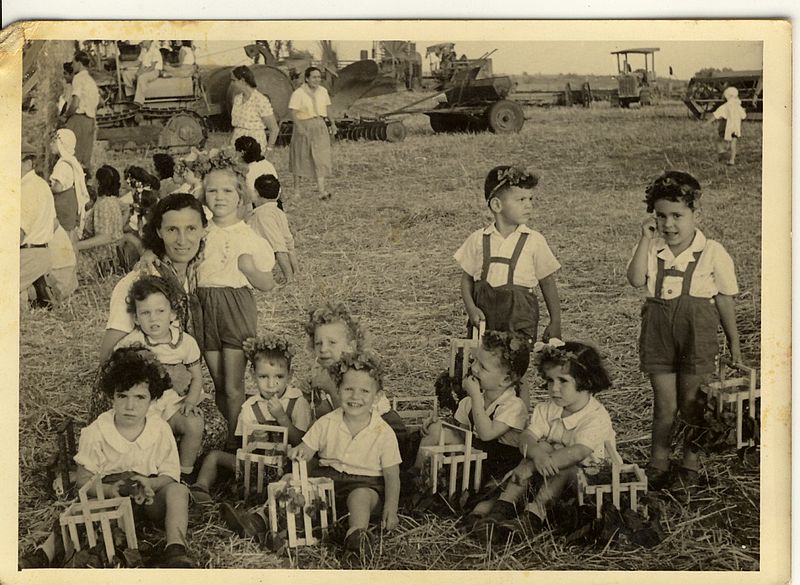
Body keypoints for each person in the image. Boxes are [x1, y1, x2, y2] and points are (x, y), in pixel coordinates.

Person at [19, 347, 194, 568]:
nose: (130, 406)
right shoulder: (97, 431)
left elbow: (170, 475)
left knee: (179, 491)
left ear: (152, 400)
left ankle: (175, 549)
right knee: (75, 512)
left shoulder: (159, 429)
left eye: (140, 397)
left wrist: (150, 483)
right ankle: (43, 554)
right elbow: (84, 481)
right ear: (112, 396)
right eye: (123, 396)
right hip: (108, 498)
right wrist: (111, 491)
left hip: (148, 497)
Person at [223, 351, 402, 554]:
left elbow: (392, 475)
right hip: (328, 481)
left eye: (364, 391)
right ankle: (260, 519)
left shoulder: (383, 431)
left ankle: (356, 536)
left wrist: (391, 508)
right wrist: (299, 452)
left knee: (359, 497)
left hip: (367, 484)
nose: (355, 397)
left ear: (377, 396)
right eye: (348, 389)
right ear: (338, 389)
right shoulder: (327, 422)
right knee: (291, 479)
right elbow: (306, 448)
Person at [626, 171, 740, 490]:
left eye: (678, 215)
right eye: (661, 216)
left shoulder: (712, 252)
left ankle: (690, 463)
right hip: (658, 336)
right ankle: (658, 461)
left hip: (697, 336)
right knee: (665, 406)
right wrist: (644, 239)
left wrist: (734, 343)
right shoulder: (653, 248)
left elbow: (724, 299)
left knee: (692, 404)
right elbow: (635, 280)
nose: (669, 224)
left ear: (695, 214)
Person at [472, 340, 615, 543]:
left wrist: (536, 462)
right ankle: (501, 509)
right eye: (549, 380)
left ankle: (534, 515)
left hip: (587, 479)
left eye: (563, 381)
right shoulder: (548, 408)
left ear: (587, 382)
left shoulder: (596, 417)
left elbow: (577, 453)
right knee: (539, 449)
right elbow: (527, 436)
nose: (554, 388)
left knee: (561, 463)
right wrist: (537, 456)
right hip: (546, 473)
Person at [454, 165, 562, 409]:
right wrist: (471, 308)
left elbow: (547, 280)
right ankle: (480, 416)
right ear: (497, 206)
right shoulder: (478, 239)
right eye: (521, 199)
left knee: (515, 370)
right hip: (485, 319)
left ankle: (517, 417)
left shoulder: (534, 240)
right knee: (483, 366)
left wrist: (555, 321)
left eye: (531, 199)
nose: (529, 205)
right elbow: (466, 279)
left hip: (519, 316)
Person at [194, 149, 277, 448]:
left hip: (235, 307)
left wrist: (250, 268)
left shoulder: (250, 237)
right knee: (217, 383)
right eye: (212, 190)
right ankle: (222, 441)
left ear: (240, 195)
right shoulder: (199, 232)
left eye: (227, 190)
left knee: (233, 385)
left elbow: (267, 283)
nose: (219, 196)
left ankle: (237, 444)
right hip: (203, 306)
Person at [96, 192, 208, 389]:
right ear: (159, 232)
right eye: (172, 229)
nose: (182, 240)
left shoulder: (200, 275)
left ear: (203, 230)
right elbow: (108, 357)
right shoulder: (138, 281)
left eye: (191, 228)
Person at [189, 333, 311, 505]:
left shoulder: (297, 402)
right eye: (263, 377)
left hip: (286, 464)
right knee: (215, 456)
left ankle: (267, 502)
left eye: (279, 377)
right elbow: (243, 446)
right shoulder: (250, 406)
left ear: (289, 375)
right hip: (255, 465)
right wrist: (253, 439)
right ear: (253, 375)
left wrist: (282, 418)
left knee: (294, 477)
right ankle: (201, 487)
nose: (271, 384)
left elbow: (301, 442)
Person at [115, 276, 205, 482]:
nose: (153, 319)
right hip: (146, 405)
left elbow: (197, 377)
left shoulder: (185, 343)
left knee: (194, 424)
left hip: (174, 402)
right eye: (145, 313)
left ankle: (183, 474)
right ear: (136, 318)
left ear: (172, 313)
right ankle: (146, 473)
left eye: (160, 311)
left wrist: (190, 402)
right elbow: (121, 375)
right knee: (143, 431)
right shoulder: (132, 343)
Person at [414, 330, 529, 485]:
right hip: (474, 459)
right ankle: (416, 477)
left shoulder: (513, 406)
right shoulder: (470, 402)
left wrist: (475, 397)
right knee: (435, 429)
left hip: (497, 467)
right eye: (474, 361)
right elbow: (462, 433)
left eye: (483, 367)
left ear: (506, 379)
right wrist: (438, 424)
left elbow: (486, 434)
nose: (474, 368)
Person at [288, 66, 336, 201]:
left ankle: (321, 191)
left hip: (319, 125)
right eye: (314, 77)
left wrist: (332, 123)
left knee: (321, 157)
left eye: (319, 77)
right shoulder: (298, 93)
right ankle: (296, 192)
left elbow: (328, 108)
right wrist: (300, 128)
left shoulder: (323, 91)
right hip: (303, 125)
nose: (317, 80)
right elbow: (292, 112)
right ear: (307, 78)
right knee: (300, 157)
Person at [20, 141, 57, 308]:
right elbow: (54, 224)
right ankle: (34, 288)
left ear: (28, 163)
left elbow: (18, 233)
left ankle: (29, 294)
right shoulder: (41, 185)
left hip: (27, 255)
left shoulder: (26, 189)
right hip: (42, 253)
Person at [247, 174, 297, 283]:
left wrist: (289, 279)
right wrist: (296, 273)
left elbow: (279, 248)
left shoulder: (263, 215)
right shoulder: (278, 212)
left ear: (256, 193)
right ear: (278, 195)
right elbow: (289, 246)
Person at [77, 164, 124, 275]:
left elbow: (104, 237)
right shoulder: (113, 201)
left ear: (98, 183)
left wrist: (76, 246)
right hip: (109, 255)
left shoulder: (104, 205)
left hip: (99, 258)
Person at [59, 50, 99, 172]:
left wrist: (65, 116)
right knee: (84, 159)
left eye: (74, 62)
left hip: (79, 120)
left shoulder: (78, 78)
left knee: (70, 155)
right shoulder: (90, 81)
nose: (72, 65)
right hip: (90, 120)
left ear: (79, 63)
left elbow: (75, 103)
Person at [49, 128, 90, 242]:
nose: (50, 144)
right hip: (70, 201)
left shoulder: (63, 164)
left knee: (61, 235)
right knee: (68, 234)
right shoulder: (71, 161)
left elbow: (58, 187)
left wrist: (48, 188)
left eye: (53, 142)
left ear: (61, 144)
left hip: (63, 202)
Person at [229, 65, 279, 155]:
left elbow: (274, 129)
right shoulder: (237, 99)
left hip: (254, 146)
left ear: (243, 81)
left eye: (233, 80)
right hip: (236, 145)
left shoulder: (260, 100)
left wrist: (268, 151)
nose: (232, 84)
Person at [234, 135, 278, 208]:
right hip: (275, 202)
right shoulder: (268, 164)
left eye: (236, 151)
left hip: (259, 205)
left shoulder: (249, 170)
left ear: (242, 153)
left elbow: (251, 196)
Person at [708, 86, 747, 166]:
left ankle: (722, 153)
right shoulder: (738, 106)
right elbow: (744, 116)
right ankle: (732, 160)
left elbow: (716, 115)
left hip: (727, 128)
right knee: (733, 144)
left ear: (727, 96)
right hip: (736, 128)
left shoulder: (726, 106)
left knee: (718, 140)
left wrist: (706, 123)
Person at [124, 40, 163, 106]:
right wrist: (124, 65)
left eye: (144, 41)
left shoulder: (155, 51)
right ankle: (130, 95)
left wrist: (141, 73)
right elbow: (138, 62)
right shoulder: (143, 51)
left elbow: (152, 67)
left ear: (149, 41)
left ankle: (139, 101)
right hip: (143, 69)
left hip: (154, 71)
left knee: (142, 77)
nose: (142, 42)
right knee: (126, 74)